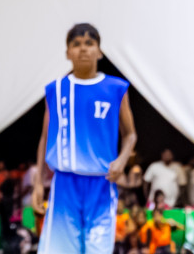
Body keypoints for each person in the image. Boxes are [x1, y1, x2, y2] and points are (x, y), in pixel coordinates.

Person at [31, 23, 137, 254]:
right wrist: (38, 183)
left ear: (99, 51)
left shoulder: (116, 88)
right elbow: (44, 136)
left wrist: (122, 160)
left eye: (89, 43)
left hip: (101, 183)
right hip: (64, 184)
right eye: (76, 44)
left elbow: (130, 134)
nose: (83, 49)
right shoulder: (56, 89)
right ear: (67, 52)